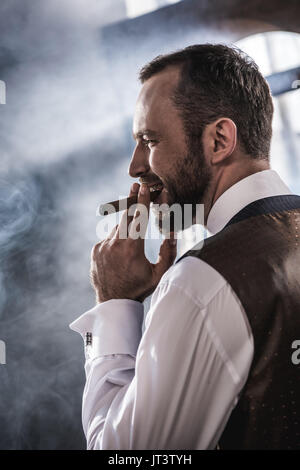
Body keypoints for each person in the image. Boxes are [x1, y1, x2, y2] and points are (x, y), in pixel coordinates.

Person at [70, 44, 300, 449]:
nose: (135, 167)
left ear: (219, 140)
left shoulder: (200, 283)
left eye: (150, 140)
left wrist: (114, 303)